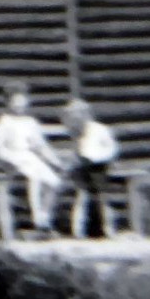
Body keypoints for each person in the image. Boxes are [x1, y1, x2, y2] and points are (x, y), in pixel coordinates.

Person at [0, 80, 64, 237]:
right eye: (15, 102)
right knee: (35, 178)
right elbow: (1, 148)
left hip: (31, 158)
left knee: (55, 182)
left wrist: (55, 161)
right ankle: (37, 219)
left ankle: (45, 217)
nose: (19, 105)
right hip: (15, 159)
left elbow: (40, 146)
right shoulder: (4, 122)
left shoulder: (30, 122)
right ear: (8, 103)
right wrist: (11, 160)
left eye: (22, 102)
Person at [63, 98, 120, 238]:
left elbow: (112, 148)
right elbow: (77, 154)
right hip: (83, 168)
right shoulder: (76, 133)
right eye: (74, 116)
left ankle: (109, 228)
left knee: (102, 197)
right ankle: (78, 231)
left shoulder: (99, 129)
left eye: (80, 115)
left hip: (99, 166)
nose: (77, 119)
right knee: (82, 196)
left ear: (86, 114)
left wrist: (101, 157)